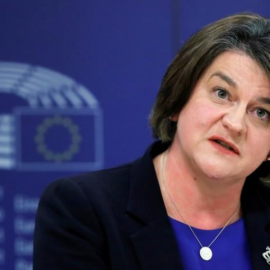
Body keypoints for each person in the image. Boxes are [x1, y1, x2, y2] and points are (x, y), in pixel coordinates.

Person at [33, 12, 270, 270]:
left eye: (261, 113)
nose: (235, 124)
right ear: (178, 100)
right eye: (222, 93)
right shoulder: (82, 210)